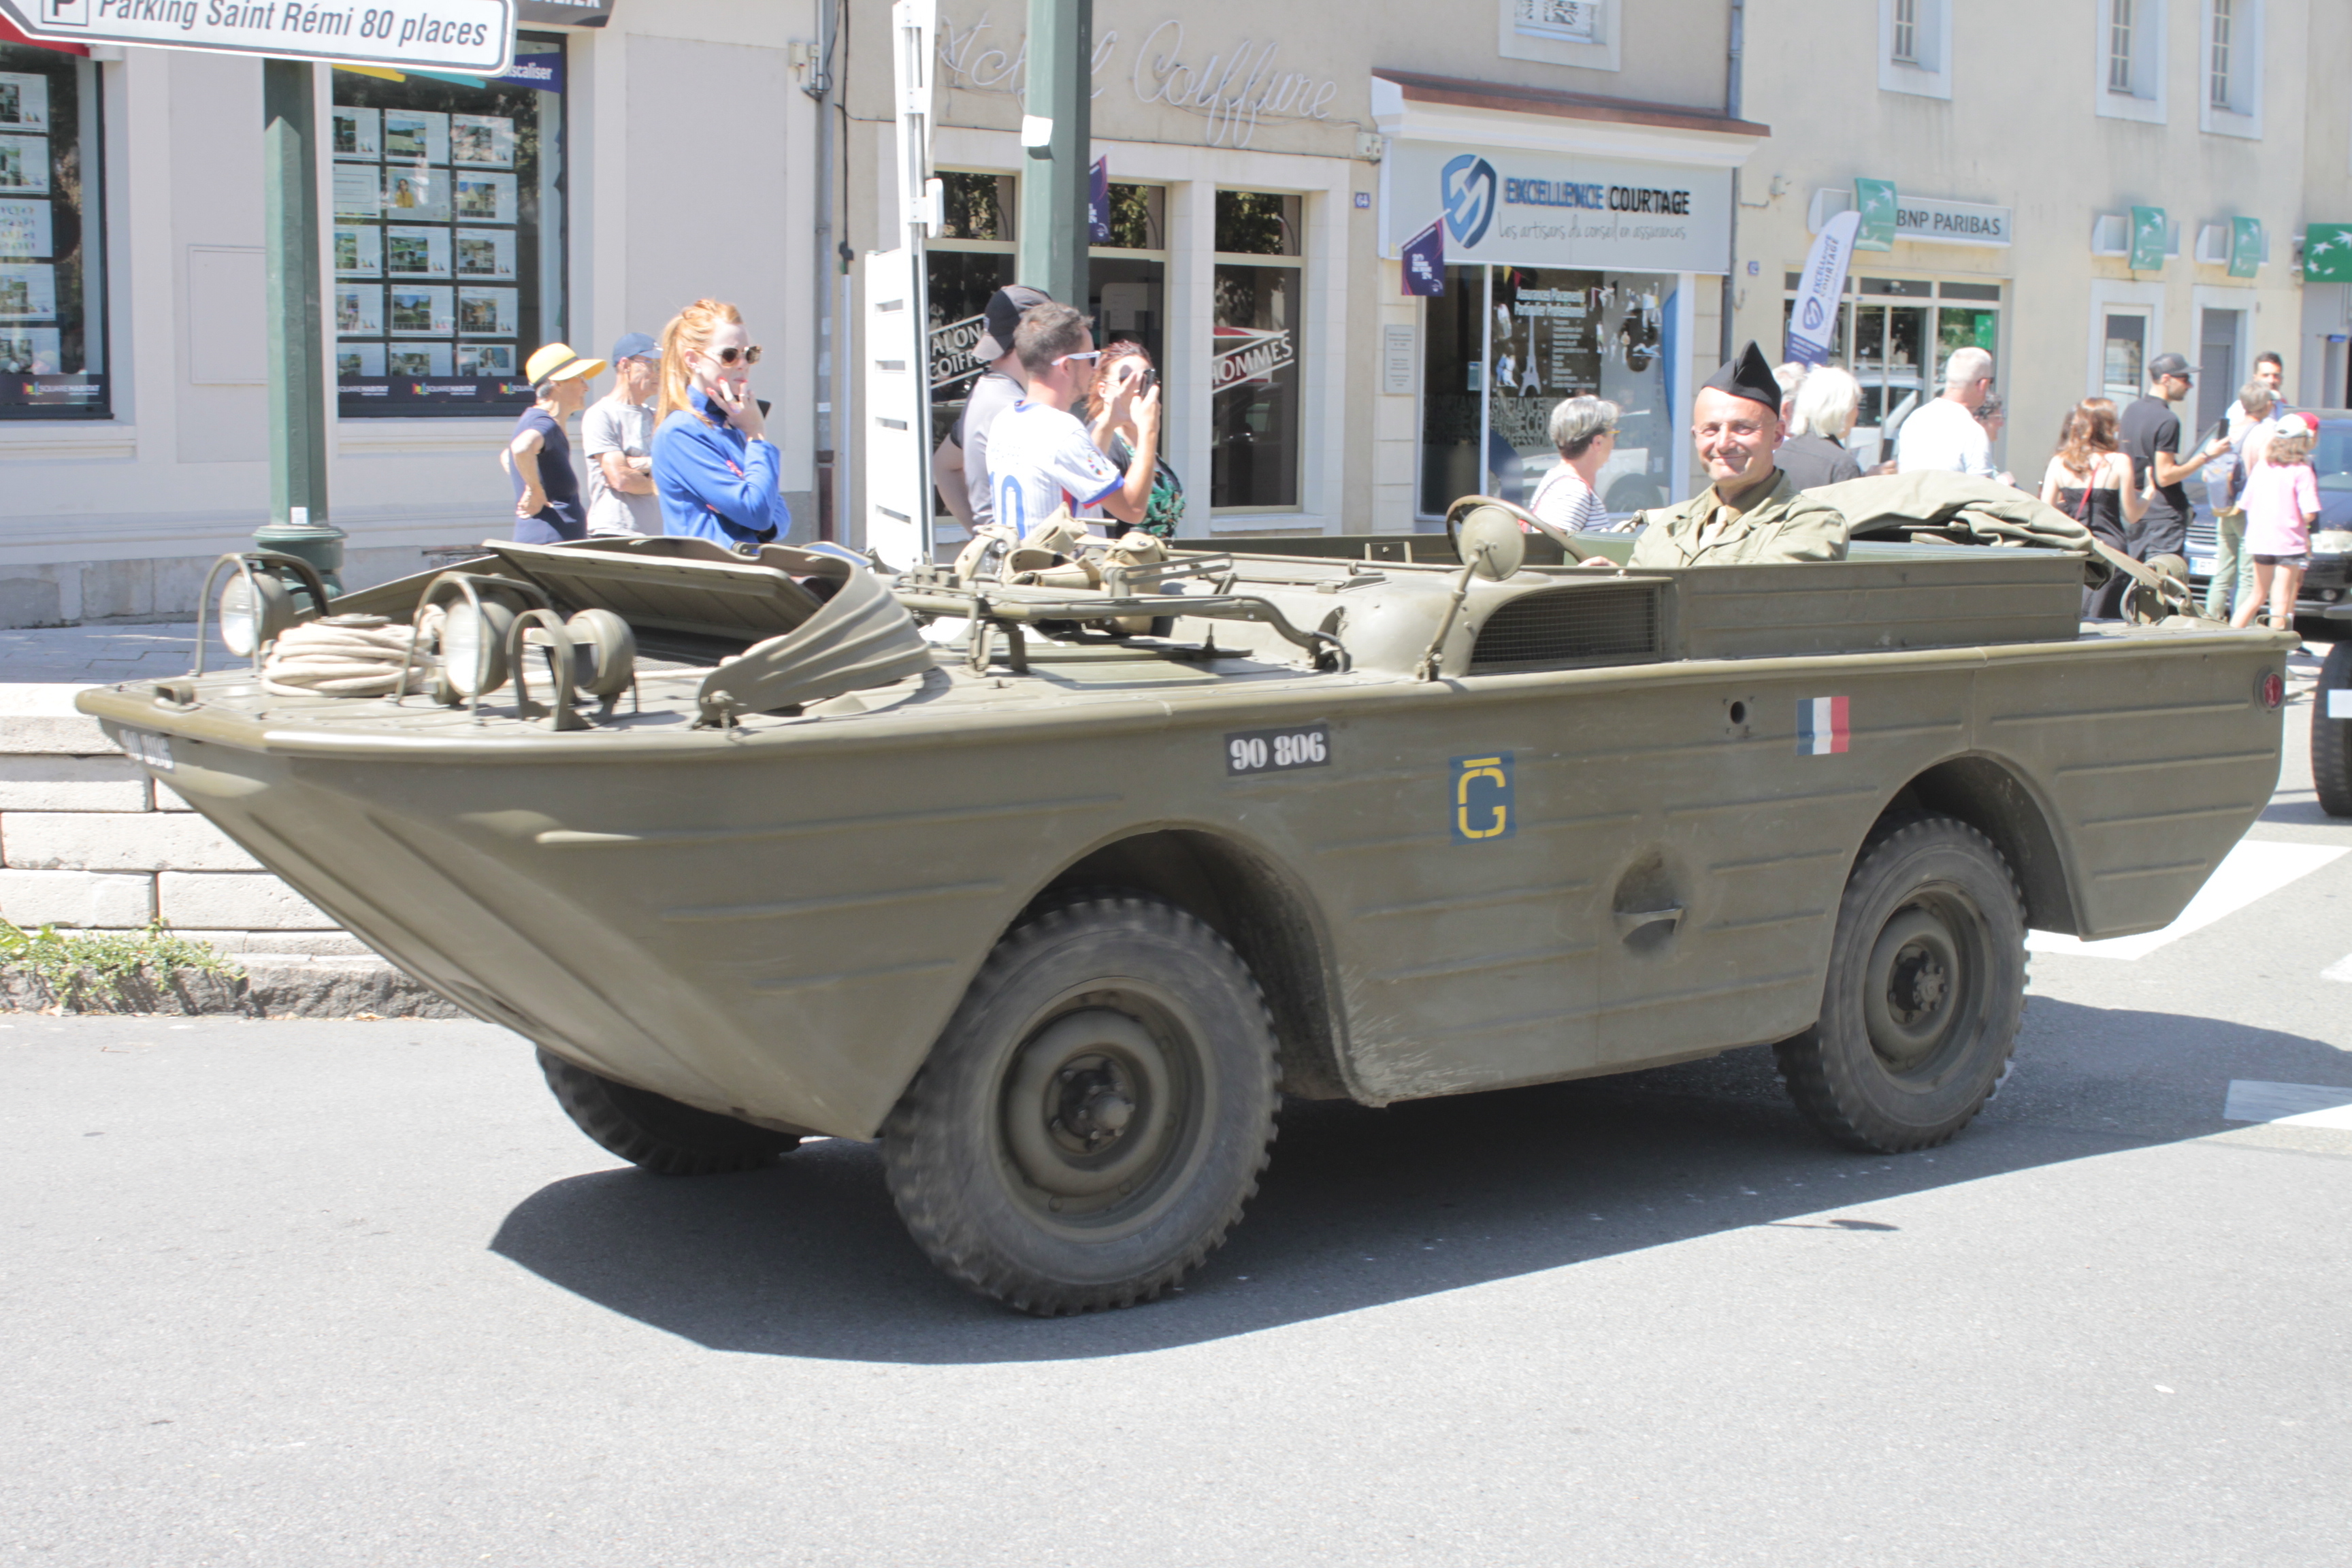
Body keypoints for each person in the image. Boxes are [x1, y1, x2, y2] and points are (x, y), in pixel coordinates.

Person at [1624, 342, 1848, 568]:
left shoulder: (1813, 524)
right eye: (1710, 429)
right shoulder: (1669, 522)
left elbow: (1748, 595)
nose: (1723, 444)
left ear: (1777, 435)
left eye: (1742, 428)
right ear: (1695, 436)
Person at [984, 301, 1160, 538]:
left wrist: (1108, 422)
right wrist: (1149, 431)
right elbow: (1133, 509)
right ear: (1066, 366)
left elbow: (1078, 476)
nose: (1094, 369)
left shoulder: (1004, 421)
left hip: (1019, 569)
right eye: (1090, 359)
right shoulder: (1061, 431)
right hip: (1060, 572)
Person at [651, 298, 789, 548]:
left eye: (750, 354)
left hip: (743, 570)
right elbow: (756, 511)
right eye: (729, 355)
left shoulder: (736, 423)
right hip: (709, 577)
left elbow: (778, 514)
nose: (743, 364)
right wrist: (756, 434)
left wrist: (756, 515)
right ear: (692, 359)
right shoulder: (681, 431)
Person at [933, 284, 1052, 530]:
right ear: (1035, 335)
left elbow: (943, 465)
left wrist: (981, 534)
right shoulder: (1012, 407)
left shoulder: (986, 391)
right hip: (1022, 561)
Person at [2039, 397, 2146, 619]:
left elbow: (2045, 512)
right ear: (2107, 427)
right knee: (2106, 617)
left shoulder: (2060, 462)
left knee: (2072, 613)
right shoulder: (2119, 461)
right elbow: (2132, 515)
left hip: (2074, 546)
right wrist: (2150, 494)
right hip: (2111, 550)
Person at [2121, 351, 2230, 563]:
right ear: (2166, 379)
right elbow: (2165, 476)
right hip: (2163, 518)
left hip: (2136, 510)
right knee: (2164, 587)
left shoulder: (2131, 411)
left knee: (2135, 584)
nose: (2190, 385)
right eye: (2184, 379)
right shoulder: (2167, 419)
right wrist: (2207, 455)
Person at [505, 342, 606, 544]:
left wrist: (529, 480)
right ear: (556, 383)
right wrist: (534, 489)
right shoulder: (544, 423)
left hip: (548, 547)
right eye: (580, 379)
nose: (586, 387)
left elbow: (506, 456)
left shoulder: (537, 420)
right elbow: (521, 448)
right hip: (547, 547)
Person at [1083, 340, 1186, 538]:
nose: (1138, 390)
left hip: (1159, 562)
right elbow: (1130, 509)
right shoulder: (1106, 439)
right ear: (1103, 389)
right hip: (1121, 563)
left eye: (1147, 380)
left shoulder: (1137, 434)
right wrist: (1149, 431)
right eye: (1126, 380)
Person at [2234, 413, 2321, 630]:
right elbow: (2309, 512)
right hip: (2288, 543)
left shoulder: (2263, 467)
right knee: (2280, 601)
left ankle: (2224, 639)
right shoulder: (2302, 471)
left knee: (2256, 596)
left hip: (2260, 540)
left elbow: (2244, 503)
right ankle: (2274, 652)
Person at [2204, 382, 2278, 619]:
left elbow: (2207, 471)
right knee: (2248, 575)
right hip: (2250, 511)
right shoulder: (2266, 434)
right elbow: (2268, 476)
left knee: (2223, 572)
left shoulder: (2225, 430)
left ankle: (2210, 621)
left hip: (2223, 507)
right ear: (2266, 405)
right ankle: (2239, 627)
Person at [581, 331, 661, 537]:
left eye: (661, 366)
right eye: (651, 364)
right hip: (615, 533)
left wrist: (645, 464)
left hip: (658, 534)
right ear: (626, 366)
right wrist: (660, 482)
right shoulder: (601, 414)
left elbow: (679, 469)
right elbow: (621, 478)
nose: (659, 373)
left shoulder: (657, 417)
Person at [1895, 346, 2004, 481]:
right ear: (1982, 384)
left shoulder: (1915, 419)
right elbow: (1982, 492)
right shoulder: (1972, 431)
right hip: (1950, 502)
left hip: (1914, 501)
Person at [1525, 396, 1618, 532]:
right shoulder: (1572, 490)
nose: (1614, 440)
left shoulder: (1560, 479)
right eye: (1613, 434)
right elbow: (1549, 548)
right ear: (1598, 442)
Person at [1776, 367, 1866, 491]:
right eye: (1855, 405)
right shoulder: (1842, 465)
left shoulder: (1780, 453)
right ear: (1840, 410)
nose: (1857, 412)